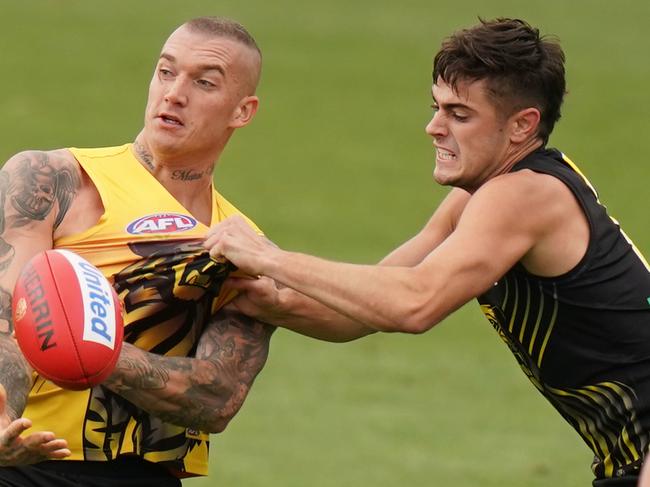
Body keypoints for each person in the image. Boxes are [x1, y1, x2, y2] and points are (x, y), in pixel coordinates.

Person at [204, 18, 650, 486]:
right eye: (436, 108)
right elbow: (362, 310)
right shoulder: (477, 199)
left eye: (459, 114)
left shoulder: (523, 196)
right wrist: (269, 297)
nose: (433, 128)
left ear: (522, 126)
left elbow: (414, 304)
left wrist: (268, 258)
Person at [0, 16, 275, 486]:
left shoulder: (244, 245)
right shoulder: (54, 179)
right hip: (23, 462)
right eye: (166, 72)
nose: (174, 93)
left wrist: (98, 353)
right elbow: (6, 320)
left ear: (242, 111)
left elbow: (219, 395)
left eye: (203, 82)